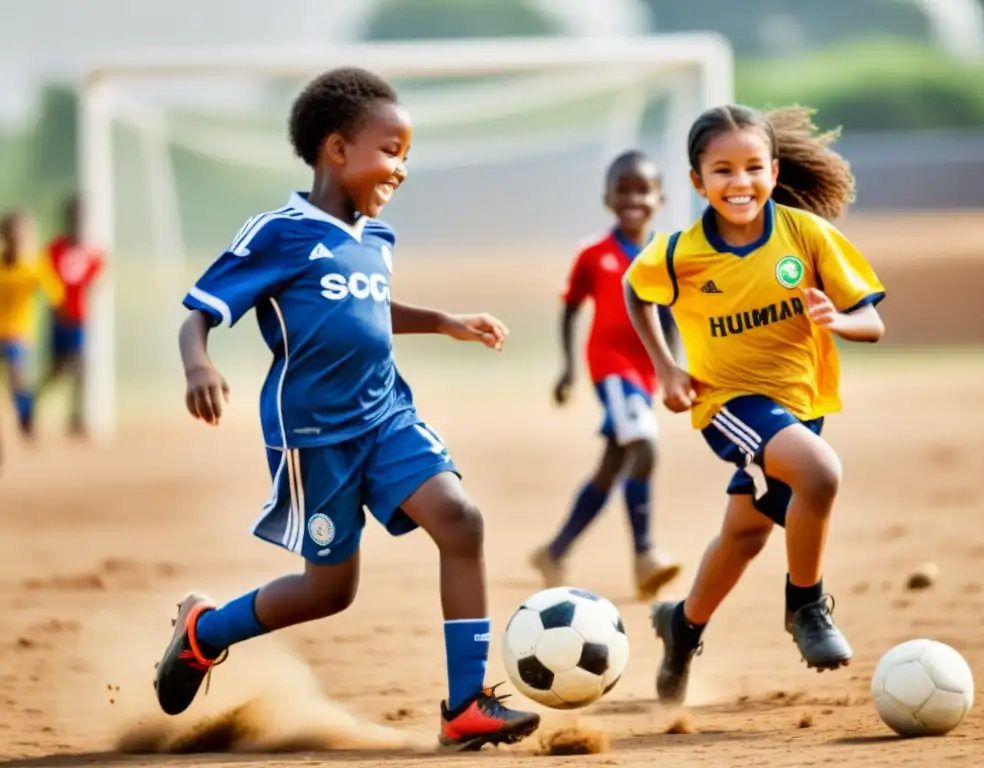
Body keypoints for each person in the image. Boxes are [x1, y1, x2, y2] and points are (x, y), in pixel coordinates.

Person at [154, 67, 540, 751]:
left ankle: (465, 705)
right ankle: (203, 633)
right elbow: (199, 311)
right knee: (330, 591)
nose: (403, 168)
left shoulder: (376, 239)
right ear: (337, 150)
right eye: (392, 150)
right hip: (314, 434)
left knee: (460, 520)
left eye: (408, 155)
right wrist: (198, 365)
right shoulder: (280, 231)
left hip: (386, 413)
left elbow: (365, 309)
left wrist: (445, 320)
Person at [623, 105, 886, 704]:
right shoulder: (680, 252)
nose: (738, 182)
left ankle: (681, 627)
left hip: (799, 407)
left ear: (773, 170)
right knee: (819, 472)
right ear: (697, 181)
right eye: (722, 170)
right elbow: (636, 290)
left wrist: (839, 320)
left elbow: (872, 321)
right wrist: (666, 367)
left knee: (745, 536)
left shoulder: (807, 236)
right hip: (728, 404)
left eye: (751, 168)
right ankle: (807, 607)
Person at [531, 150, 682, 601]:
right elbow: (571, 309)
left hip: (644, 374)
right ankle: (645, 555)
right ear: (607, 198)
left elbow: (670, 318)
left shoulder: (665, 255)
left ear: (661, 198)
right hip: (610, 367)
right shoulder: (594, 255)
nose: (633, 198)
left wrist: (670, 369)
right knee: (646, 447)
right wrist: (567, 370)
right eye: (624, 190)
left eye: (643, 190)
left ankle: (555, 551)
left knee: (613, 464)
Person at [39, 193, 104, 436]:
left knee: (81, 367)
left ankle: (77, 418)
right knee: (58, 370)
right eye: (74, 216)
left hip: (79, 320)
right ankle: (32, 403)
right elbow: (45, 279)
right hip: (59, 319)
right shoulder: (55, 249)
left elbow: (96, 280)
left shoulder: (92, 253)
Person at [0, 210, 64, 456]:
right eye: (13, 236)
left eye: (23, 236)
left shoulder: (34, 266)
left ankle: (26, 419)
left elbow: (55, 294)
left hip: (17, 336)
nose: (18, 241)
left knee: (17, 377)